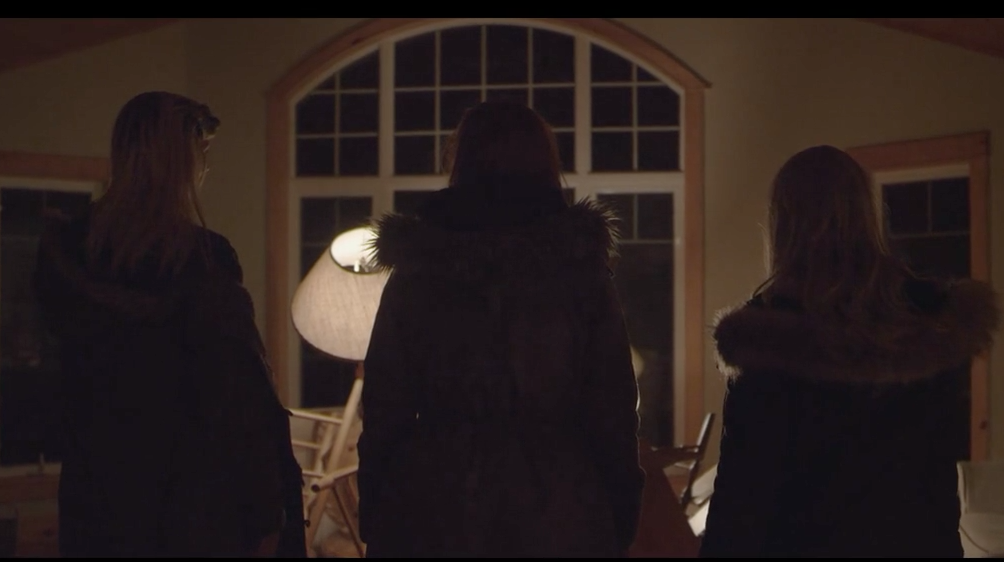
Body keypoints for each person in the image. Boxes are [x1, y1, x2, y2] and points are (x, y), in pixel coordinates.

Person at [358, 101, 646, 557]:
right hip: (559, 508)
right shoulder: (577, 272)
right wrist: (620, 514)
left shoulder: (419, 271)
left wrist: (377, 510)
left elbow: (384, 405)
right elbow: (611, 407)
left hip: (433, 505)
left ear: (461, 160)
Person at [34, 91, 307, 557]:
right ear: (182, 161)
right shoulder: (200, 263)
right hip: (188, 511)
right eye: (201, 153)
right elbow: (238, 400)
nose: (205, 169)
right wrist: (267, 511)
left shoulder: (70, 260)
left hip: (96, 504)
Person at [699, 145, 1000, 558]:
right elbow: (937, 485)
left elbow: (742, 503)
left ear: (781, 223)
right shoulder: (928, 324)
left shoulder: (763, 337)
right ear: (865, 212)